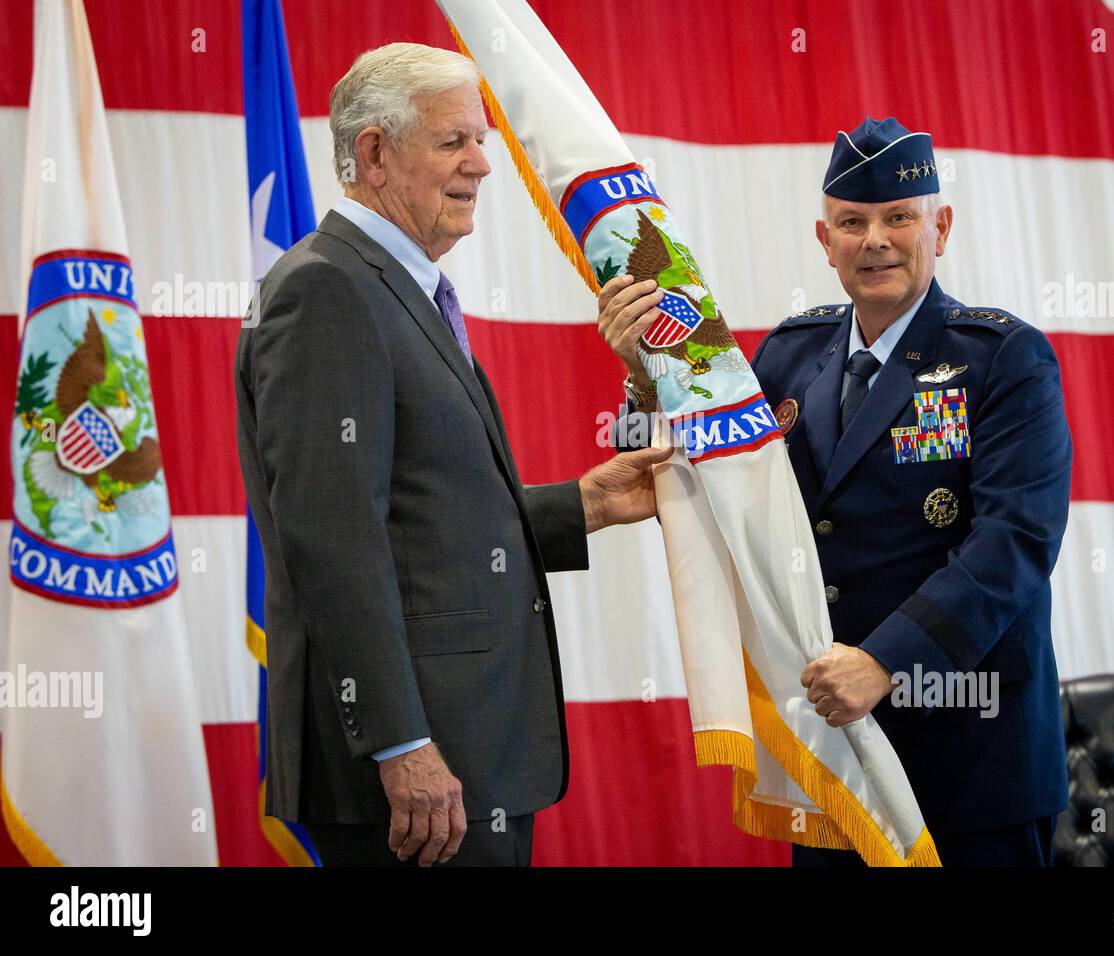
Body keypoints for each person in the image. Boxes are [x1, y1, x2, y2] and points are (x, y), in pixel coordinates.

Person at [235, 43, 670, 868]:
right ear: (373, 152)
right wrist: (401, 744)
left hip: (465, 752)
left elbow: (420, 519)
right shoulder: (327, 289)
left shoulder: (397, 287)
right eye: (453, 143)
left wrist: (582, 506)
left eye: (482, 141)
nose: (482, 164)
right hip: (413, 772)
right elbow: (333, 541)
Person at [598, 117, 1071, 866]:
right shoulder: (789, 353)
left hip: (971, 755)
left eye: (899, 218)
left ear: (939, 227)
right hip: (832, 752)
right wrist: (643, 373)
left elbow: (1016, 544)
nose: (875, 239)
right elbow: (715, 484)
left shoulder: (1003, 359)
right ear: (826, 241)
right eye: (852, 221)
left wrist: (887, 661)